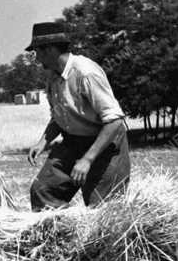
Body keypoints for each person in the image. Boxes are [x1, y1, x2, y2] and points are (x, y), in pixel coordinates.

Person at [24, 21, 130, 210]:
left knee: (102, 209)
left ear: (49, 50)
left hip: (105, 144)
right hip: (73, 142)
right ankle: (59, 236)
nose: (36, 58)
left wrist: (87, 160)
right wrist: (43, 142)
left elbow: (114, 120)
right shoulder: (53, 77)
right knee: (43, 190)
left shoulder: (85, 73)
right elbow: (60, 115)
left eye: (37, 52)